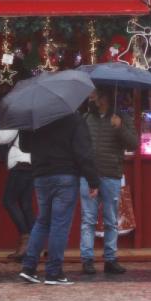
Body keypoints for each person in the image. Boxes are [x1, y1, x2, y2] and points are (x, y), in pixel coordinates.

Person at [18, 111, 100, 286]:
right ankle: (53, 272)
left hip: (41, 174)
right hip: (65, 174)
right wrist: (93, 180)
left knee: (42, 221)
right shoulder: (73, 118)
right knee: (59, 224)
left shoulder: (35, 116)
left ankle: (29, 267)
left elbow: (25, 146)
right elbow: (83, 151)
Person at [80, 87, 137, 275]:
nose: (93, 97)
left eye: (96, 93)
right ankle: (87, 259)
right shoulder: (87, 118)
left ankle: (110, 259)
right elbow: (79, 144)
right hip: (89, 176)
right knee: (88, 219)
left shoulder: (122, 117)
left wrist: (119, 127)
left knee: (111, 220)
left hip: (111, 174)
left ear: (105, 96)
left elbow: (134, 144)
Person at [0, 120, 34, 262]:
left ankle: (25, 238)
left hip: (20, 164)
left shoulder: (17, 117)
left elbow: (2, 138)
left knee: (8, 201)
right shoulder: (33, 117)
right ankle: (34, 245)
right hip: (31, 162)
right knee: (26, 204)